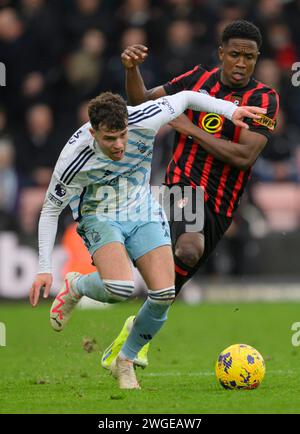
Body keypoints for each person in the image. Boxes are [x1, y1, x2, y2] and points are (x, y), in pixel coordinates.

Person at [29, 89, 264, 389]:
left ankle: (125, 361)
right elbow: (50, 209)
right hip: (99, 213)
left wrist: (230, 112)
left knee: (164, 294)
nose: (119, 145)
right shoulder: (73, 159)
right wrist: (44, 268)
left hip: (142, 207)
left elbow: (188, 97)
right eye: (109, 139)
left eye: (123, 135)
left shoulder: (146, 117)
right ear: (93, 132)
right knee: (120, 288)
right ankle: (76, 286)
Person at [101, 20, 279, 370]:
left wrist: (188, 127)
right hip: (181, 185)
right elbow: (140, 102)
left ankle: (133, 337)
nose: (241, 63)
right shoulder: (197, 80)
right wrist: (132, 70)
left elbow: (245, 157)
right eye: (234, 55)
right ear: (221, 54)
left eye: (249, 57)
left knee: (170, 286)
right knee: (188, 248)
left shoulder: (264, 98)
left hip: (222, 204)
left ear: (257, 58)